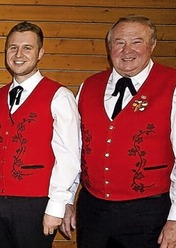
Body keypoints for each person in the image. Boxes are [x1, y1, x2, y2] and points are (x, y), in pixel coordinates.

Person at [64, 15, 176, 248]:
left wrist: (175, 218)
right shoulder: (88, 86)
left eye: (137, 42)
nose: (127, 50)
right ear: (109, 46)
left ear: (152, 45)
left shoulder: (171, 84)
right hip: (93, 209)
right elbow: (73, 151)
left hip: (149, 212)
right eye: (119, 42)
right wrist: (66, 200)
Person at [0, 21, 81, 247]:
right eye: (13, 48)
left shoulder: (59, 96)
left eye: (27, 48)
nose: (19, 54)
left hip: (36, 203)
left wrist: (57, 205)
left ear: (40, 53)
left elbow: (69, 156)